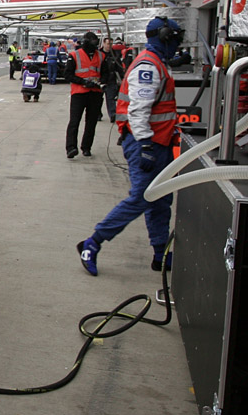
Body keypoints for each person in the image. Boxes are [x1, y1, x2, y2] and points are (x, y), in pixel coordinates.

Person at [77, 17, 185, 276]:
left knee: (160, 200)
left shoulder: (158, 63)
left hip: (157, 144)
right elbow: (138, 110)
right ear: (165, 36)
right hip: (144, 144)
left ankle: (160, 253)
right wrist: (146, 145)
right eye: (176, 40)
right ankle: (92, 243)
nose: (178, 46)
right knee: (141, 197)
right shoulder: (148, 66)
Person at [65, 31, 104, 158]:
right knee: (74, 121)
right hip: (79, 93)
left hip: (95, 93)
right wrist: (82, 82)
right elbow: (68, 74)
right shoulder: (74, 55)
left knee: (91, 122)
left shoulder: (102, 56)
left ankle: (86, 147)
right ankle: (71, 147)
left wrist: (101, 82)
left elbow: (107, 73)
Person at [100, 35, 125, 122]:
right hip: (100, 80)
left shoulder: (114, 55)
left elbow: (119, 67)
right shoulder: (99, 54)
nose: (109, 46)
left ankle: (113, 115)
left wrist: (122, 77)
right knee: (98, 99)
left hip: (111, 79)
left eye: (111, 44)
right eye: (107, 44)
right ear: (103, 43)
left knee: (111, 99)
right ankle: (98, 115)